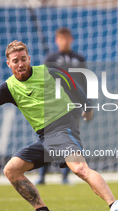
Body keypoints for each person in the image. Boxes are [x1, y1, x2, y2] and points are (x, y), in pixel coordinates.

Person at [0, 40, 115, 211]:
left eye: (23, 59)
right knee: (11, 170)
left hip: (63, 128)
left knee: (80, 169)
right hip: (45, 138)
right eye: (15, 61)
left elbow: (73, 86)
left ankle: (114, 207)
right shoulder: (8, 87)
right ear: (8, 64)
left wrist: (87, 108)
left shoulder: (49, 72)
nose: (20, 64)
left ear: (29, 59)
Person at [37, 27, 88, 185]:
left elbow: (84, 82)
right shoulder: (50, 58)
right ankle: (42, 175)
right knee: (48, 140)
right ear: (56, 40)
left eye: (66, 38)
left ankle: (65, 176)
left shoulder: (78, 59)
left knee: (70, 141)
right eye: (61, 38)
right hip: (54, 107)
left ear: (71, 39)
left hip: (73, 107)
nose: (64, 41)